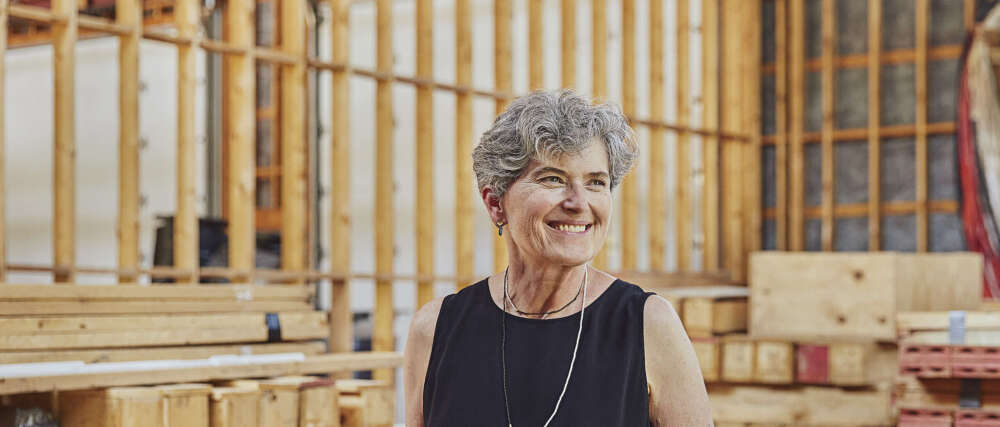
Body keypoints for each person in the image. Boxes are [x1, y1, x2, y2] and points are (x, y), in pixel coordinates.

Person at [404, 89, 712, 426]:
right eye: (553, 178)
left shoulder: (647, 324)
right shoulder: (435, 330)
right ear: (495, 203)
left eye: (596, 182)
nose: (579, 202)